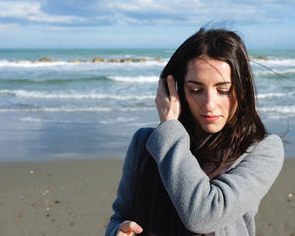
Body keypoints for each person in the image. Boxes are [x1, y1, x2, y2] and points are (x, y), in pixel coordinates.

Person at [105, 28, 284, 236]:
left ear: (242, 88)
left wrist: (170, 130)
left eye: (223, 89)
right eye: (196, 89)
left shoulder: (261, 149)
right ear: (178, 90)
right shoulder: (144, 142)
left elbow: (203, 216)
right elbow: (119, 217)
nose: (209, 104)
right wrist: (117, 231)